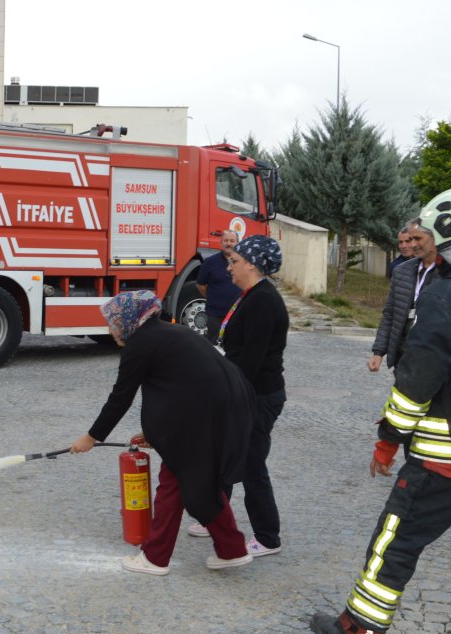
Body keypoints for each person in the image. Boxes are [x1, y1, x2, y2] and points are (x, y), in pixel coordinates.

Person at [311, 188, 451, 634]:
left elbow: (416, 381)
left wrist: (388, 438)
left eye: (429, 233)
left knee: (394, 542)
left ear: (450, 234)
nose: (423, 241)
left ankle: (359, 630)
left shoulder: (443, 295)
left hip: (446, 459)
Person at [70, 291, 255, 574]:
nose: (111, 330)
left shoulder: (140, 344)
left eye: (114, 322)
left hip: (206, 411)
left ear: (128, 320)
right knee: (194, 481)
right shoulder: (167, 332)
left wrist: (91, 437)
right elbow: (176, 389)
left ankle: (156, 558)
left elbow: (121, 398)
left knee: (175, 481)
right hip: (225, 405)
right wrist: (158, 435)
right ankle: (232, 549)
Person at [194, 235, 288, 558]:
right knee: (228, 454)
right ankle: (215, 517)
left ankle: (268, 537)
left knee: (250, 463)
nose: (229, 267)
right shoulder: (250, 295)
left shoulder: (264, 301)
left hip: (258, 395)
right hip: (245, 391)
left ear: (252, 264)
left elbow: (251, 361)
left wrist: (224, 391)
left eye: (234, 261)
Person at [368, 218, 440, 373]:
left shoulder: (449, 274)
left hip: (432, 357)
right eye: (410, 239)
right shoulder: (401, 271)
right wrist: (378, 352)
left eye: (417, 239)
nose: (412, 245)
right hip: (402, 354)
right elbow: (389, 314)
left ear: (434, 238)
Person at [196, 230, 241, 344]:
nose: (228, 243)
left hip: (238, 314)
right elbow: (200, 284)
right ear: (221, 243)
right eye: (226, 240)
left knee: (236, 345)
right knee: (215, 347)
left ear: (237, 243)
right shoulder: (210, 262)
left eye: (232, 241)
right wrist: (212, 298)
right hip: (215, 315)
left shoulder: (244, 262)